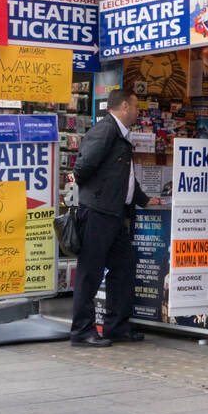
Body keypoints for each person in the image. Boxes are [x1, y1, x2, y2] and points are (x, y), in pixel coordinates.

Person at [70, 89, 159, 347]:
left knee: (124, 266)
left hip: (114, 213)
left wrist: (141, 199)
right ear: (123, 107)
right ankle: (82, 331)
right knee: (90, 272)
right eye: (135, 106)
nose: (138, 111)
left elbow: (125, 176)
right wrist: (95, 195)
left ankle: (116, 326)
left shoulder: (120, 134)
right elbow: (83, 166)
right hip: (98, 212)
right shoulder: (106, 130)